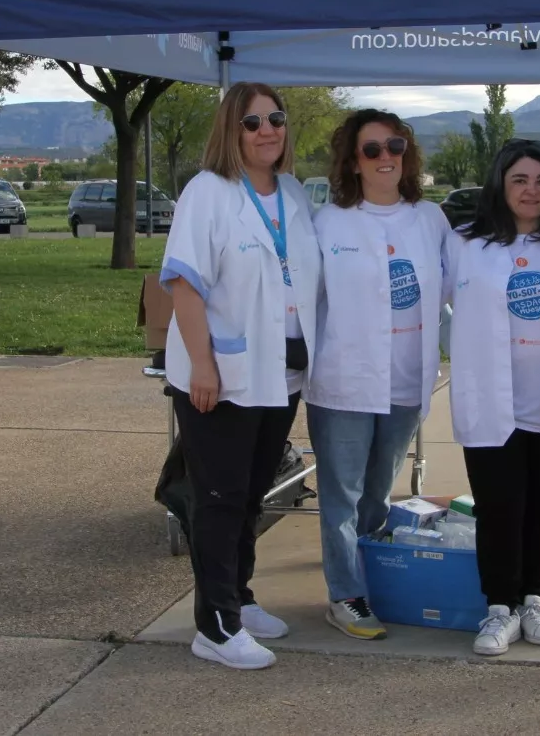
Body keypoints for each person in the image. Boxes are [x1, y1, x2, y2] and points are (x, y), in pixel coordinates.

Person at [159, 81, 323, 671]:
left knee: (253, 494)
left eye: (275, 119)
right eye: (252, 122)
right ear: (231, 130)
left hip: (280, 374)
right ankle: (216, 625)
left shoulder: (294, 194)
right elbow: (183, 283)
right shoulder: (209, 192)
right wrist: (202, 363)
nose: (267, 130)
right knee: (220, 498)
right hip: (222, 374)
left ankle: (240, 598)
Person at [445, 138, 540, 657]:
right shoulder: (467, 243)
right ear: (500, 186)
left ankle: (534, 596)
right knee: (499, 506)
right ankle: (499, 607)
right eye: (519, 180)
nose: (531, 190)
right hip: (493, 400)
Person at [309, 109, 451, 640]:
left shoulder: (429, 218)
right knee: (341, 495)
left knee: (377, 493)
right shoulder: (328, 223)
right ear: (352, 160)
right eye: (372, 149)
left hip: (405, 380)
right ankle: (345, 595)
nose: (385, 156)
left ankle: (368, 579)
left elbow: (461, 285)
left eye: (394, 145)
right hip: (343, 380)